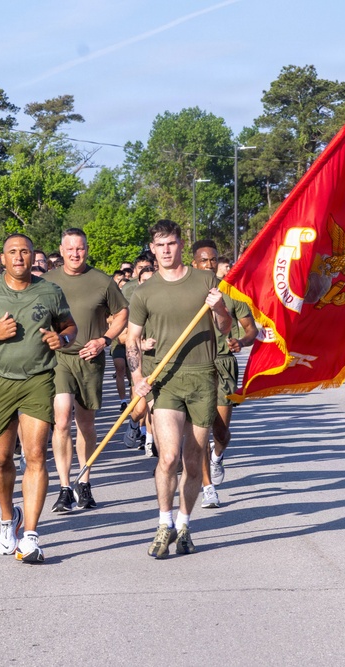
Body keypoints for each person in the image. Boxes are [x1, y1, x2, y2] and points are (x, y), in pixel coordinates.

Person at [0, 233, 77, 563]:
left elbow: (69, 326)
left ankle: (32, 536)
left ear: (33, 256)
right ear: (3, 259)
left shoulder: (49, 291)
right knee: (2, 459)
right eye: (12, 252)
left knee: (36, 453)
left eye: (25, 251)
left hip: (38, 379)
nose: (19, 257)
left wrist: (61, 338)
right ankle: (9, 519)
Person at [126, 220, 231, 559]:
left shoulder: (205, 280)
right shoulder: (144, 291)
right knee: (168, 456)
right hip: (165, 378)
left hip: (202, 377)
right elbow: (131, 338)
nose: (166, 250)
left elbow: (225, 327)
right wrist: (137, 377)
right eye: (160, 245)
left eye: (171, 243)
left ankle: (185, 524)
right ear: (152, 249)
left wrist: (218, 308)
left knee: (192, 459)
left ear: (181, 245)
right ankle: (163, 523)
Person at [44, 228, 128, 512]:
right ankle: (64, 487)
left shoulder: (102, 281)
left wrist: (104, 340)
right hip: (58, 358)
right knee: (62, 419)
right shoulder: (47, 281)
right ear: (61, 249)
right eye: (69, 249)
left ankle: (85, 481)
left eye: (80, 248)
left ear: (87, 249)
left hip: (90, 358)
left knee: (86, 423)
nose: (75, 254)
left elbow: (122, 314)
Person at [191, 240, 257, 508]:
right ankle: (208, 488)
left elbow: (251, 329)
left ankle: (217, 457)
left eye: (213, 260)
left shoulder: (232, 293)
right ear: (194, 263)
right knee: (202, 428)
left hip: (224, 363)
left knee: (221, 432)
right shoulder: (186, 291)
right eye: (203, 261)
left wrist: (241, 342)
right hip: (196, 365)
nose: (209, 265)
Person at [121, 252, 155, 449]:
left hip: (163, 362)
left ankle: (151, 441)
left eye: (152, 280)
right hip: (141, 363)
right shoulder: (136, 304)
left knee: (157, 408)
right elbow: (123, 337)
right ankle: (134, 423)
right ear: (138, 282)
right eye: (144, 281)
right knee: (141, 406)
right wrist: (141, 344)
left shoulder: (165, 301)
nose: (148, 284)